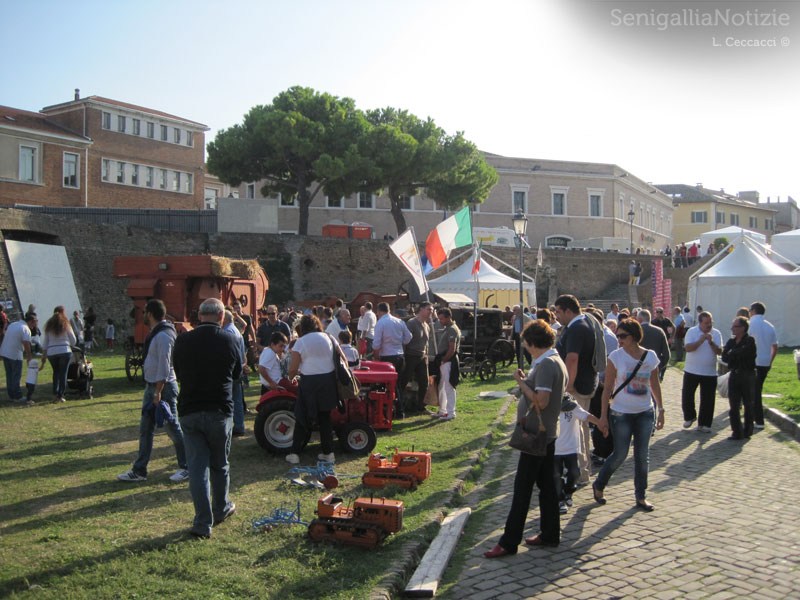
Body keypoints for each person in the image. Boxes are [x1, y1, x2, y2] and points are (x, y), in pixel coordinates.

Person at [483, 319, 567, 558]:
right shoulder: (552, 361)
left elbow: (541, 400)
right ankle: (550, 533)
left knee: (522, 490)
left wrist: (520, 382)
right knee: (548, 487)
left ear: (533, 343)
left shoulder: (547, 364)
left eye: (527, 345)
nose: (526, 349)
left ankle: (509, 542)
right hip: (545, 435)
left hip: (536, 437)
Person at [173, 298, 241, 538]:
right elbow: (236, 373)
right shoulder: (230, 339)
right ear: (221, 317)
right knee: (219, 464)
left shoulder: (183, 340)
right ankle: (220, 508)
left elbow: (178, 371)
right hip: (219, 409)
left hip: (190, 409)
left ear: (199, 316)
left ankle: (203, 522)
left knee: (197, 468)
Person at [593, 318, 665, 511]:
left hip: (645, 412)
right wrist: (602, 416)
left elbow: (655, 384)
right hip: (621, 412)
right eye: (618, 336)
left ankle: (641, 496)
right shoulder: (616, 357)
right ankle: (599, 483)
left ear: (634, 336)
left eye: (623, 336)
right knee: (620, 454)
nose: (619, 339)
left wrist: (662, 409)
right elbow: (607, 388)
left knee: (642, 455)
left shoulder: (650, 357)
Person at [117, 299, 189, 483]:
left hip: (162, 388)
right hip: (153, 387)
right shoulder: (158, 333)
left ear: (150, 314)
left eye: (144, 312)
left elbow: (165, 366)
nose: (142, 315)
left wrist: (158, 392)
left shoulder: (163, 335)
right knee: (145, 429)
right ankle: (139, 470)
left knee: (173, 429)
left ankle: (187, 466)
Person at [554, 294, 598, 485]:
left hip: (577, 386)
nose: (556, 316)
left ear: (568, 311)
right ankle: (582, 469)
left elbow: (572, 358)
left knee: (577, 431)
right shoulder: (582, 324)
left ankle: (580, 472)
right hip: (584, 383)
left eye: (558, 311)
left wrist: (568, 385)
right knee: (581, 428)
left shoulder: (577, 328)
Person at [285, 314, 341, 465]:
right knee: (325, 418)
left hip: (309, 382)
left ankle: (295, 453)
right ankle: (328, 453)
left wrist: (292, 376)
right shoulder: (329, 337)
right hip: (328, 381)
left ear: (302, 327)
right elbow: (343, 359)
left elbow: (293, 369)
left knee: (302, 417)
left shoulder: (300, 342)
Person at [556, 393, 601, 514]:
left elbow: (586, 416)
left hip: (571, 448)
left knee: (574, 473)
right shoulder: (549, 405)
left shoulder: (572, 406)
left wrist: (600, 423)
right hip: (554, 449)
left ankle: (568, 492)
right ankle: (560, 500)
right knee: (556, 476)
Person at [681, 311, 722, 433]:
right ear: (700, 322)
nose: (709, 325)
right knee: (687, 395)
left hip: (709, 372)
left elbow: (720, 351)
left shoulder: (716, 333)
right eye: (706, 323)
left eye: (710, 322)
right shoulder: (692, 332)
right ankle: (690, 416)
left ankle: (705, 423)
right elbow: (688, 348)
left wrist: (711, 342)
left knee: (708, 399)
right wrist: (700, 341)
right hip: (691, 370)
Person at [372, 302, 411, 418]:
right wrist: (401, 345)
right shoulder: (399, 321)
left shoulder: (381, 323)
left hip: (387, 356)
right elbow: (409, 337)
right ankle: (398, 409)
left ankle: (392, 410)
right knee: (397, 383)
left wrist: (376, 358)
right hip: (399, 355)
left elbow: (376, 344)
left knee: (388, 385)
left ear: (379, 311)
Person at [721, 316, 757, 441]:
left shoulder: (750, 341)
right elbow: (724, 356)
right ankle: (737, 431)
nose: (732, 328)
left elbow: (746, 352)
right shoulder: (731, 342)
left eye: (735, 326)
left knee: (748, 403)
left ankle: (747, 430)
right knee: (734, 405)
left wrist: (733, 353)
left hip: (747, 375)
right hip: (734, 375)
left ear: (742, 328)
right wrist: (733, 353)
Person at [748, 302, 778, 430]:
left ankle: (758, 419)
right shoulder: (770, 326)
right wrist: (770, 361)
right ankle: (756, 418)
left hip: (752, 362)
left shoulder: (749, 325)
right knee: (757, 388)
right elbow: (775, 346)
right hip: (765, 362)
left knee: (753, 392)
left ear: (753, 311)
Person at [401, 302, 432, 414]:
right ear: (422, 309)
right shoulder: (411, 323)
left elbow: (426, 343)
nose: (431, 312)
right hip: (411, 355)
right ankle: (399, 406)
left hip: (422, 356)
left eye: (431, 310)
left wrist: (426, 356)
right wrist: (404, 357)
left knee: (425, 382)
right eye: (429, 309)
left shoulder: (427, 325)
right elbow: (404, 341)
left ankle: (421, 407)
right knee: (404, 380)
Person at [41, 307, 77, 403]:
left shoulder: (49, 326)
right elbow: (73, 340)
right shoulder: (66, 324)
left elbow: (45, 342)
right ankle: (61, 395)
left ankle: (55, 393)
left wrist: (44, 354)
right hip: (64, 350)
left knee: (56, 372)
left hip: (52, 351)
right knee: (63, 373)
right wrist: (71, 344)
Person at [223, 310, 249, 437]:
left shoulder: (227, 332)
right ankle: (239, 425)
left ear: (224, 319)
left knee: (228, 399)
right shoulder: (236, 331)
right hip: (238, 369)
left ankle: (231, 426)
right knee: (237, 400)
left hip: (231, 371)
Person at [431, 307, 460, 421]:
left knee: (449, 386)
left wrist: (443, 360)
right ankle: (443, 410)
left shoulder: (452, 329)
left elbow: (451, 349)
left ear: (448, 317)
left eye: (442, 319)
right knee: (442, 386)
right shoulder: (448, 328)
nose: (440, 321)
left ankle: (451, 412)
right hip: (445, 361)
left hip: (448, 361)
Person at [0, 313, 36, 403]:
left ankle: (11, 394)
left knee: (9, 375)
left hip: (5, 352)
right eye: (33, 324)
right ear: (30, 322)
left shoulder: (13, 324)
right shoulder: (25, 329)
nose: (33, 327)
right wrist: (29, 357)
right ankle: (17, 396)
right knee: (16, 375)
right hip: (15, 354)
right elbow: (27, 344)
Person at [637, 310, 670, 381]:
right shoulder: (659, 331)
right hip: (654, 366)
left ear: (639, 319)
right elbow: (666, 354)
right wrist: (660, 366)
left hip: (638, 367)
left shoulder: (635, 331)